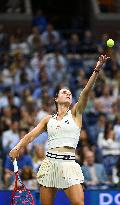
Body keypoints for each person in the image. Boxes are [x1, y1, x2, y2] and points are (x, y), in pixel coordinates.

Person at [9, 54, 109, 205]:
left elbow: (86, 92)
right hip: (49, 163)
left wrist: (97, 69)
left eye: (69, 93)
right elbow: (31, 136)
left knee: (78, 203)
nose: (68, 93)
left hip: (69, 164)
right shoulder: (48, 119)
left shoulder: (76, 113)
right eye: (64, 92)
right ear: (56, 99)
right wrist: (17, 147)